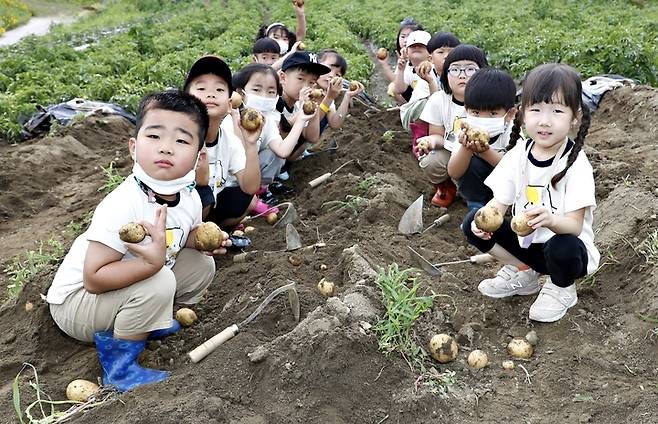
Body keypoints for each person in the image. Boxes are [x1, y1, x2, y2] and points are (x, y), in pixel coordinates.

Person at [46, 90, 229, 392]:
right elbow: (93, 278)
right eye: (155, 137)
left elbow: (181, 237)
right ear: (133, 147)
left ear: (198, 158)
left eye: (182, 141)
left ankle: (146, 322)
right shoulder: (122, 205)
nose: (167, 148)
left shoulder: (190, 198)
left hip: (124, 289)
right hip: (76, 305)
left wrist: (201, 239)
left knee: (201, 265)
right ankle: (120, 367)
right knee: (159, 280)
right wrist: (152, 263)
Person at [462, 63, 600, 323]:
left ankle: (562, 289)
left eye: (557, 111)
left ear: (574, 117)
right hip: (527, 245)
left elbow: (574, 225)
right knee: (472, 222)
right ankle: (524, 272)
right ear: (523, 113)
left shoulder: (575, 163)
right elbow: (499, 203)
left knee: (563, 245)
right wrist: (487, 219)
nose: (544, 121)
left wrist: (549, 220)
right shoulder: (519, 154)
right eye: (535, 110)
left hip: (565, 252)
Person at [184, 56, 261, 230]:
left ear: (229, 105)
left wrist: (250, 144)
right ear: (187, 100)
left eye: (219, 89)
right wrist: (202, 183)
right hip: (177, 214)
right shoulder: (179, 139)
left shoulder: (229, 140)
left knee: (245, 199)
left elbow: (250, 187)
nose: (210, 94)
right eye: (201, 88)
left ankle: (217, 232)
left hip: (209, 208)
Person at [231, 63, 314, 213]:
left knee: (273, 154)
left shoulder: (268, 119)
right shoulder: (229, 117)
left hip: (248, 179)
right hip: (225, 181)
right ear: (240, 93)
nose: (264, 96)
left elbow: (283, 151)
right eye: (256, 90)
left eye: (271, 92)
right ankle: (248, 202)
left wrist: (301, 119)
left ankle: (259, 192)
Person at [414, 44, 489, 207]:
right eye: (455, 70)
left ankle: (482, 194)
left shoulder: (490, 101)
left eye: (470, 69)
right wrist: (431, 142)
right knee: (431, 161)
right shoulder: (439, 100)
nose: (462, 75)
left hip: (483, 152)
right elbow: (438, 135)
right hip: (451, 150)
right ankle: (447, 187)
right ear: (446, 74)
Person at [447, 68, 517, 211]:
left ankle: (503, 206)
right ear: (466, 110)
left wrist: (486, 152)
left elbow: (515, 171)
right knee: (472, 164)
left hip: (504, 191)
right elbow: (454, 172)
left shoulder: (512, 132)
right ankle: (475, 205)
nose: (483, 119)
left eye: (493, 113)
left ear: (509, 114)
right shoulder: (465, 130)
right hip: (477, 186)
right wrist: (466, 149)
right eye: (476, 112)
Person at [267, 52, 329, 188]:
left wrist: (313, 107)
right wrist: (301, 113)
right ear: (283, 77)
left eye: (311, 82)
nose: (306, 86)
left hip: (278, 160)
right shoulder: (273, 102)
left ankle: (272, 179)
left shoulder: (296, 104)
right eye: (300, 79)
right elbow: (276, 137)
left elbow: (312, 137)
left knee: (303, 136)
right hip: (262, 159)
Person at [313, 49, 364, 136]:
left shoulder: (327, 94)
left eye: (338, 75)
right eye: (329, 69)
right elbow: (307, 124)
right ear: (315, 64)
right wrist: (329, 98)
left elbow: (335, 124)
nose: (332, 75)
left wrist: (347, 96)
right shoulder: (304, 89)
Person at [393, 29, 433, 139]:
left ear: (430, 52)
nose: (416, 48)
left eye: (421, 46)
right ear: (407, 51)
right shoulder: (408, 68)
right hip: (415, 111)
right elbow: (398, 90)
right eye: (413, 46)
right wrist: (400, 69)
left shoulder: (434, 68)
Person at [377, 17, 422, 104]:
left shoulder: (420, 57)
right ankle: (406, 108)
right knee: (393, 88)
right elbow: (396, 81)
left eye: (410, 36)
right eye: (402, 36)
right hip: (412, 91)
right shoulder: (403, 58)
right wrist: (384, 64)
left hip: (425, 93)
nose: (405, 40)